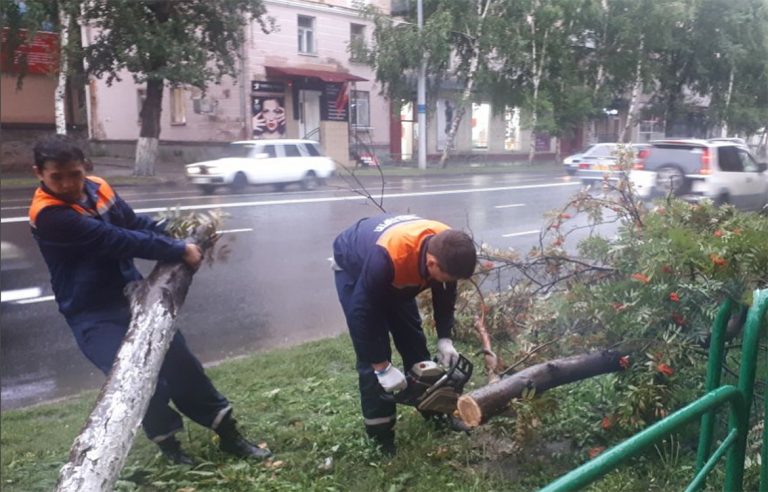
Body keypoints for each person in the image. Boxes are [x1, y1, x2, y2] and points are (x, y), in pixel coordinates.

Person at [28, 135, 272, 465]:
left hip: (134, 295)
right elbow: (116, 240)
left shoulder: (98, 187)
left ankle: (230, 435)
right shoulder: (49, 215)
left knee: (183, 365)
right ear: (39, 174)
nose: (69, 183)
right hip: (91, 313)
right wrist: (179, 250)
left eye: (75, 174)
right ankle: (170, 448)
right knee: (139, 378)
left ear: (85, 167)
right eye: (57, 177)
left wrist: (170, 230)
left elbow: (132, 223)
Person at [331, 214, 477, 455]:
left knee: (416, 347)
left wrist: (444, 338)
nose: (449, 282)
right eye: (447, 277)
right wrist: (382, 367)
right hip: (355, 267)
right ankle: (381, 437)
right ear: (431, 264)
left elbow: (445, 294)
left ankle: (435, 413)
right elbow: (361, 316)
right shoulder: (388, 259)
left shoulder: (448, 246)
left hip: (395, 270)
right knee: (372, 356)